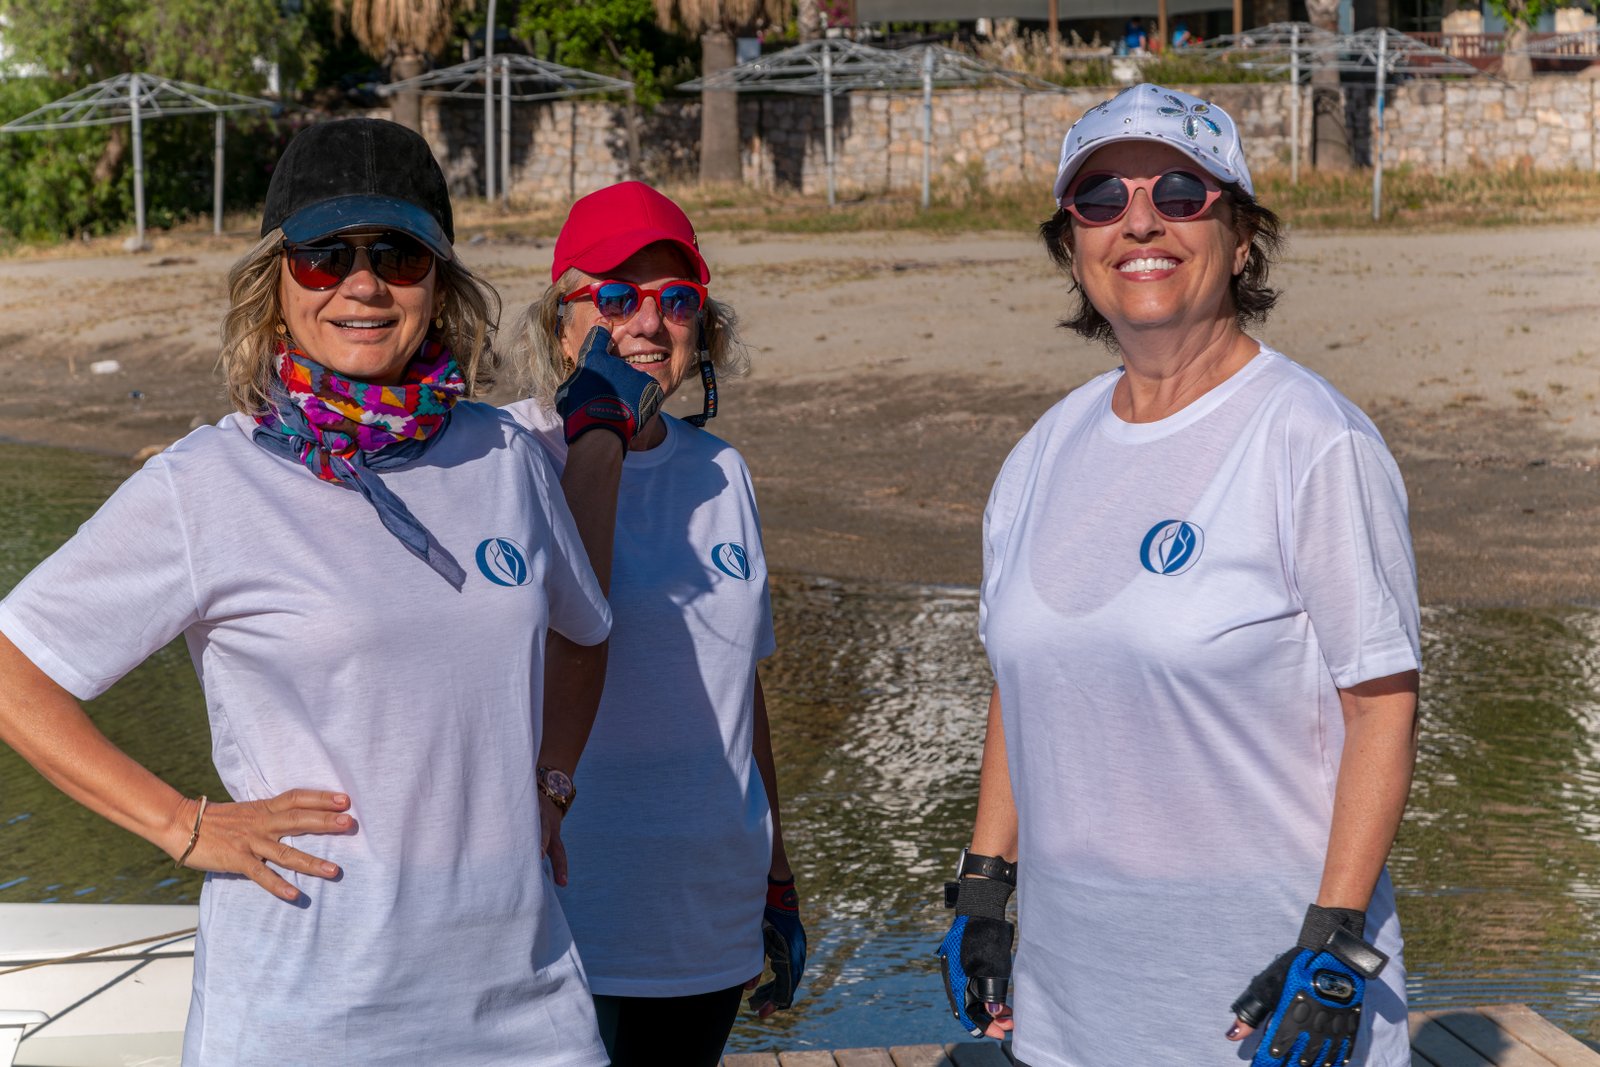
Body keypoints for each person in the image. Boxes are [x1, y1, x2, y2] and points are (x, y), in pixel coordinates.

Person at [0, 118, 663, 1064]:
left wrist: (552, 782)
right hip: (303, 1016)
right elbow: (14, 668)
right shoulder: (206, 485)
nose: (363, 284)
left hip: (528, 1007)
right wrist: (183, 826)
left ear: (439, 284)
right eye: (324, 257)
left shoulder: (505, 456)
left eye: (398, 255)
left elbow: (586, 630)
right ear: (275, 284)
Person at [936, 85, 1420, 1067]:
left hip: (1271, 1004)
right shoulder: (1041, 450)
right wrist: (984, 885)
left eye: (1180, 193)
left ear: (1240, 238)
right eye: (1100, 199)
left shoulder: (1311, 439)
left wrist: (1333, 941)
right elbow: (1022, 679)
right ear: (1073, 246)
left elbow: (1382, 706)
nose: (1140, 221)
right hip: (1068, 1010)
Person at [504, 181, 804, 1067]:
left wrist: (777, 874)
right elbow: (568, 613)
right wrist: (596, 430)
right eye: (616, 296)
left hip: (707, 912)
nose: (648, 322)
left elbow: (738, 686)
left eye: (677, 300)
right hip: (569, 907)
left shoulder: (722, 471)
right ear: (562, 323)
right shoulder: (509, 455)